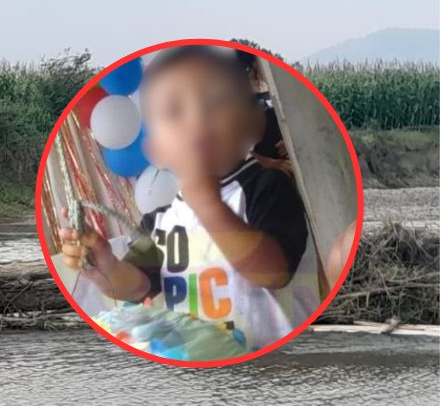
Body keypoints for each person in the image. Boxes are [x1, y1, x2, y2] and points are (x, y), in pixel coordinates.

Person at [58, 46, 319, 351]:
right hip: (194, 359)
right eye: (174, 112)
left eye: (214, 102)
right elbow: (137, 286)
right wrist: (105, 269)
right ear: (158, 151)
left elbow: (275, 273)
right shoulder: (158, 222)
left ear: (250, 125)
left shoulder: (267, 187)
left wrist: (208, 205)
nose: (197, 119)